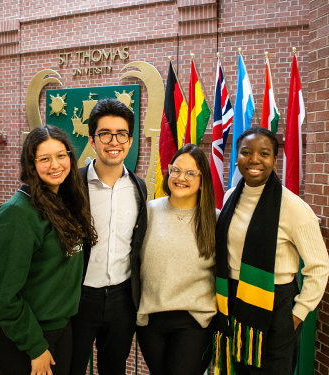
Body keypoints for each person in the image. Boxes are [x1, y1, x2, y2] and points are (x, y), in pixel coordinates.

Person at [213, 127, 329, 375]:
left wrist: (297, 315)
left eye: (264, 154)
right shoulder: (232, 196)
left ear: (274, 160)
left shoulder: (293, 207)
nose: (254, 160)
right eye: (246, 152)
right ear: (237, 157)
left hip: (275, 304)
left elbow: (319, 267)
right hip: (233, 298)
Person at [0, 125, 97, 375]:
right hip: (26, 337)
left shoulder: (63, 201)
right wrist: (35, 347)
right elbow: (4, 295)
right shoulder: (16, 214)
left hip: (60, 327)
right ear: (31, 163)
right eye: (44, 159)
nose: (55, 164)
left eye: (61, 155)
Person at [69, 98, 147, 375]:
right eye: (105, 134)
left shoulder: (139, 188)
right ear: (92, 140)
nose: (113, 141)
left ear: (130, 140)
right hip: (78, 298)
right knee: (69, 368)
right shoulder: (72, 186)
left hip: (122, 301)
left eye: (121, 134)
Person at [136, 144, 218, 375]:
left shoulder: (215, 220)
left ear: (202, 180)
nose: (181, 178)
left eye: (191, 173)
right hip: (151, 321)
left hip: (194, 322)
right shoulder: (148, 211)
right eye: (176, 170)